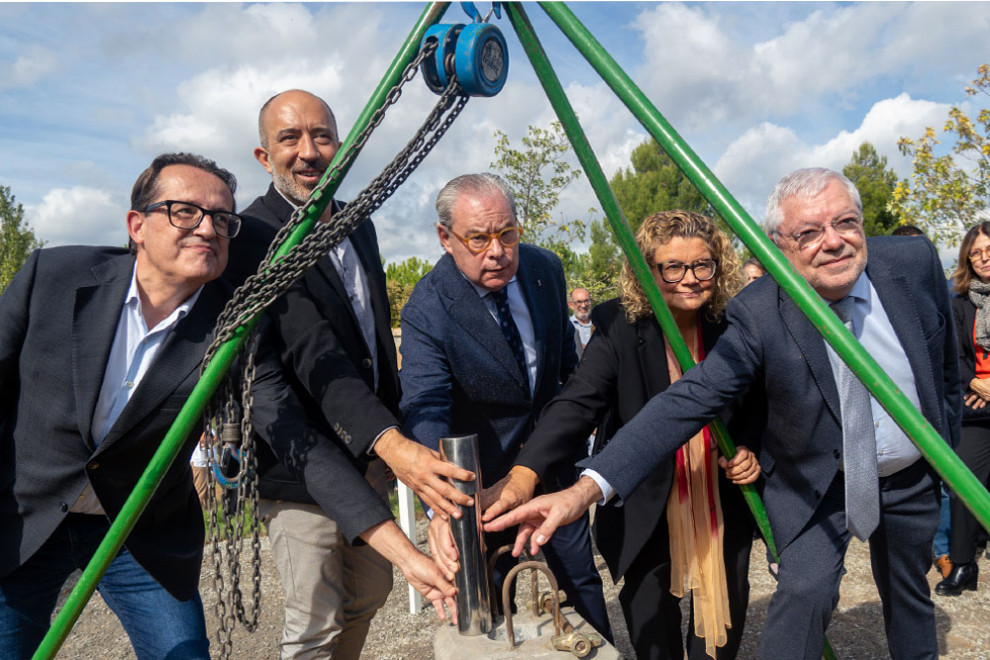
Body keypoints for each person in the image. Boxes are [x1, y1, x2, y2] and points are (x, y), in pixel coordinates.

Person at [488, 168, 961, 660]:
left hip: (898, 479)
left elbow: (941, 364)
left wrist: (939, 449)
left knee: (910, 598)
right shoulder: (756, 312)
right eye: (809, 233)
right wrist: (579, 488)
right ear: (779, 244)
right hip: (800, 487)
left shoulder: (914, 261)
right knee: (802, 595)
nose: (835, 242)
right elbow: (678, 403)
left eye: (846, 222)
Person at [227, 89, 466, 660]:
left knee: (370, 591)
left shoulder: (358, 223)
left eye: (322, 136)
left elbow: (372, 339)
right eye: (289, 138)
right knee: (315, 615)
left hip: (369, 458)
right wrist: (394, 443)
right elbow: (310, 350)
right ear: (264, 157)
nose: (308, 152)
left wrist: (394, 435)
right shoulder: (252, 238)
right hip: (300, 467)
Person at [484, 210, 760, 659]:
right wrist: (524, 473)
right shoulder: (619, 322)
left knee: (719, 639)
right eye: (672, 266)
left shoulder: (735, 321)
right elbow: (578, 401)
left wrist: (749, 447)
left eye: (702, 264)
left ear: (719, 265)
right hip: (643, 497)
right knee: (653, 635)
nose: (690, 278)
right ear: (647, 271)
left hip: (720, 499)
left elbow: (759, 399)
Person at [0, 153, 242, 659]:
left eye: (222, 219)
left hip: (137, 529)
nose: (207, 228)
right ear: (137, 225)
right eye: (184, 211)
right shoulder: (55, 274)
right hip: (27, 517)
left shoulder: (233, 324)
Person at [399, 173, 612, 639]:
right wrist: (444, 507)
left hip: (553, 463)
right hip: (481, 486)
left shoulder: (545, 270)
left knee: (579, 582)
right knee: (492, 602)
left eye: (508, 234)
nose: (497, 251)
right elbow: (426, 405)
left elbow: (568, 372)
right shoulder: (427, 306)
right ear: (445, 238)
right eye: (478, 238)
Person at [936, 221, 990, 596]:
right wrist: (974, 382)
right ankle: (963, 564)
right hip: (977, 406)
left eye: (989, 251)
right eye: (976, 253)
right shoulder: (958, 301)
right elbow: (951, 358)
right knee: (962, 484)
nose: (984, 258)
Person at [568, 287, 594, 356]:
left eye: (586, 301)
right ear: (571, 305)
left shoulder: (599, 324)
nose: (583, 305)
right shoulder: (567, 327)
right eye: (579, 302)